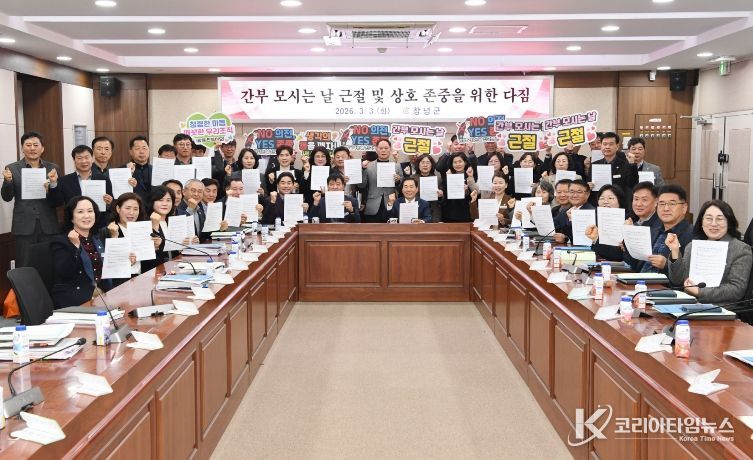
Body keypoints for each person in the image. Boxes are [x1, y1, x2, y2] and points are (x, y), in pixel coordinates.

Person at [50, 196, 132, 307]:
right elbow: (65, 273)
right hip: (77, 299)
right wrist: (75, 247)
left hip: (104, 295)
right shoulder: (61, 241)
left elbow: (113, 270)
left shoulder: (98, 238)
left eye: (90, 211)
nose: (86, 216)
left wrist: (126, 261)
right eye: (80, 212)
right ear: (71, 217)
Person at [667, 200, 752, 303]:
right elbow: (677, 280)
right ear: (701, 222)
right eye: (708, 218)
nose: (713, 224)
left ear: (728, 222)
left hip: (721, 308)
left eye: (719, 219)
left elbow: (736, 290)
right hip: (688, 303)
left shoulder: (741, 250)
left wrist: (699, 292)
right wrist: (675, 251)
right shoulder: (692, 246)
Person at [2, 131, 63, 266]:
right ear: (22, 148)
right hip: (24, 226)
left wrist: (53, 185)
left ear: (42, 148)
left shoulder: (53, 168)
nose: (32, 148)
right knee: (24, 263)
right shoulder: (12, 168)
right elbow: (7, 197)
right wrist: (7, 181)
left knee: (48, 264)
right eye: (28, 145)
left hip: (48, 225)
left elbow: (59, 200)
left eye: (36, 145)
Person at [631, 184, 693, 273]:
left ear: (684, 208)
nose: (666, 208)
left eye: (672, 204)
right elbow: (635, 265)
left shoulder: (691, 235)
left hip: (663, 282)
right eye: (662, 204)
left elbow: (688, 274)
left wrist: (666, 265)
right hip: (639, 279)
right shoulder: (653, 230)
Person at [47, 145, 114, 228]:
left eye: (87, 157)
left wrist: (109, 203)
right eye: (79, 158)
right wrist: (53, 183)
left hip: (99, 225)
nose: (84, 161)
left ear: (92, 158)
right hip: (73, 226)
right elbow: (56, 202)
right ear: (74, 160)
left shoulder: (103, 179)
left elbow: (111, 206)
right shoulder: (64, 181)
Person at [100, 192, 148, 285]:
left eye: (135, 209)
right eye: (127, 208)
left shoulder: (143, 229)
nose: (131, 213)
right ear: (118, 209)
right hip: (119, 283)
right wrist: (114, 237)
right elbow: (106, 262)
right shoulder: (107, 231)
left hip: (143, 279)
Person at [360, 138, 402, 223]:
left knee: (391, 230)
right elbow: (361, 185)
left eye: (386, 148)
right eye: (381, 148)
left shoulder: (396, 166)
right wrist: (363, 170)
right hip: (372, 206)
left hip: (391, 204)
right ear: (376, 149)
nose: (383, 150)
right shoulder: (368, 166)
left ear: (390, 150)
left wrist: (398, 181)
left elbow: (402, 187)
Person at [588, 132, 638, 203]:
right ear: (601, 146)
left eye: (611, 144)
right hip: (599, 203)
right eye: (605, 144)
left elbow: (633, 184)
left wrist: (632, 164)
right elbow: (589, 185)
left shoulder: (625, 165)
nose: (607, 147)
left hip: (619, 203)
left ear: (617, 146)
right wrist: (588, 186)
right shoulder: (594, 165)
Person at [583, 185, 627, 261]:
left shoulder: (627, 221)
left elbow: (617, 255)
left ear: (620, 200)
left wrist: (596, 239)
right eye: (602, 198)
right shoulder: (594, 219)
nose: (605, 202)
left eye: (610, 198)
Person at [441, 152, 479, 223]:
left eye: (460, 161)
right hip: (450, 214)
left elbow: (476, 194)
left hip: (466, 213)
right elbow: (445, 196)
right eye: (455, 162)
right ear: (452, 164)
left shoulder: (469, 175)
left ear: (465, 162)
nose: (458, 164)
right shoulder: (448, 176)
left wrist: (466, 191)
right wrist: (449, 180)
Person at [413, 154, 443, 223]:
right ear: (418, 164)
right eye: (422, 162)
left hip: (434, 213)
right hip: (417, 212)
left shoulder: (438, 179)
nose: (425, 165)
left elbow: (442, 201)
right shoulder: (412, 179)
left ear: (431, 165)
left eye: (428, 163)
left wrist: (440, 196)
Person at [126, 136, 152, 202]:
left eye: (144, 148)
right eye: (137, 149)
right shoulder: (123, 170)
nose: (142, 152)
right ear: (130, 152)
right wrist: (128, 173)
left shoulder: (155, 170)